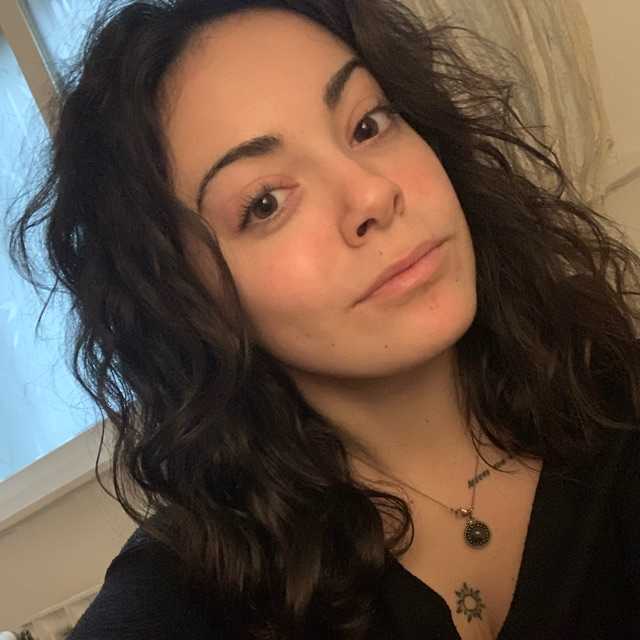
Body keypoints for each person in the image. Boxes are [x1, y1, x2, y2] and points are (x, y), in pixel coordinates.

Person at [5, 0, 640, 638]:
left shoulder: (612, 385)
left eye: (367, 124)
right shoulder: (190, 593)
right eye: (265, 202)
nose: (373, 194)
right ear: (184, 298)